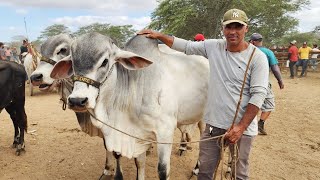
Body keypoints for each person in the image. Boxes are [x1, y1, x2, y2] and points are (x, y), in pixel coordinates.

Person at [139, 8, 269, 180]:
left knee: (239, 173)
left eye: (238, 27)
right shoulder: (214, 46)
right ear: (223, 29)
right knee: (205, 172)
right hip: (213, 125)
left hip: (241, 128)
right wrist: (158, 35)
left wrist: (240, 128)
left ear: (246, 29)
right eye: (229, 27)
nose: (233, 31)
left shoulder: (257, 58)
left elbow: (258, 95)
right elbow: (185, 46)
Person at [249, 33, 284, 135]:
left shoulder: (247, 50)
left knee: (249, 102)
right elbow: (275, 68)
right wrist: (280, 80)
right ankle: (260, 124)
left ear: (252, 41)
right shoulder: (268, 52)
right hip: (262, 82)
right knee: (269, 104)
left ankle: (249, 124)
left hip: (246, 82)